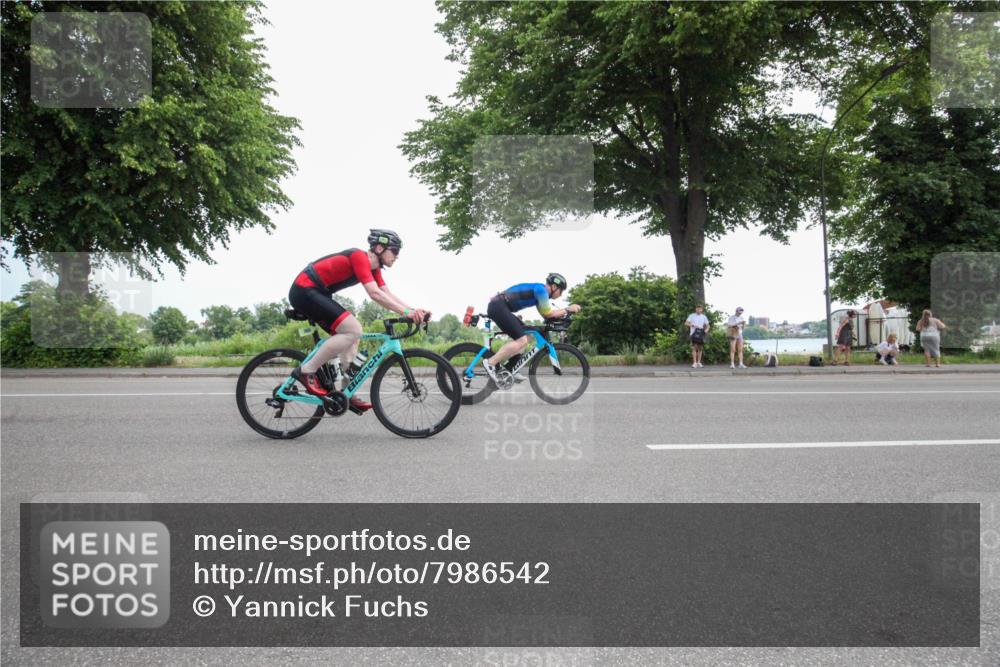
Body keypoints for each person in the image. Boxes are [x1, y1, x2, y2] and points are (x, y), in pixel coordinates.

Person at [287, 229, 429, 409]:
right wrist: (406, 313)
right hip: (305, 289)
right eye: (395, 251)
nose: (397, 256)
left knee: (352, 340)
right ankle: (306, 371)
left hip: (317, 293)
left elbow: (386, 293)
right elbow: (374, 293)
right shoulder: (358, 257)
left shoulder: (375, 268)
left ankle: (347, 393)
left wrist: (413, 310)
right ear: (379, 248)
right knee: (353, 329)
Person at [482, 273, 581, 383]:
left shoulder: (541, 292)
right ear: (554, 287)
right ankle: (491, 363)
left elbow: (546, 314)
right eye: (561, 291)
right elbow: (549, 314)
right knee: (522, 340)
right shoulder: (541, 290)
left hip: (500, 306)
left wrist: (562, 314)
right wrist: (568, 309)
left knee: (528, 336)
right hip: (498, 306)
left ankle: (510, 368)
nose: (561, 295)